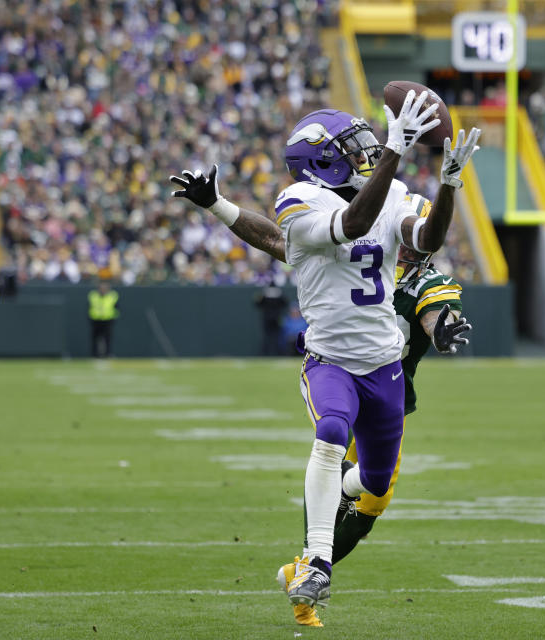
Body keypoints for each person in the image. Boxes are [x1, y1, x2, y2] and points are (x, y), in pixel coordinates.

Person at [170, 90, 481, 625]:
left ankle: (323, 522)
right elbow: (350, 226)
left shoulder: (390, 189)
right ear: (321, 160)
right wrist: (393, 152)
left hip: (383, 366)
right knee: (331, 432)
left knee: (375, 484)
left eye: (366, 146)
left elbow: (426, 239)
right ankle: (315, 561)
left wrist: (449, 185)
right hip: (330, 359)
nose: (364, 154)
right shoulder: (300, 200)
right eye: (351, 148)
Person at [276, 194, 471, 627]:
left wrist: (442, 327)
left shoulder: (426, 281)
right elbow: (284, 242)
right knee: (328, 450)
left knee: (373, 500)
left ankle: (300, 567)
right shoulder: (352, 254)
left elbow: (435, 310)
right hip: (341, 377)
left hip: (388, 393)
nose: (405, 249)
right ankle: (310, 567)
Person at [87, 279, 119, 358]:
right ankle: (94, 355)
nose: (103, 289)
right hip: (96, 319)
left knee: (107, 338)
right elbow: (89, 307)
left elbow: (117, 307)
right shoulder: (93, 295)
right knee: (95, 338)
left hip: (108, 319)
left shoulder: (113, 296)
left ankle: (108, 354)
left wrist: (113, 317)